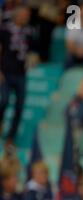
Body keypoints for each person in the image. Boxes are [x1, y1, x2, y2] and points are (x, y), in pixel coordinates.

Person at [0, 5, 34, 145]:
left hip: (21, 73)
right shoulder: (4, 30)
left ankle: (11, 137)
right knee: (4, 100)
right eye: (23, 15)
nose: (26, 18)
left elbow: (34, 50)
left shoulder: (30, 32)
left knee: (20, 106)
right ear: (16, 15)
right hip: (6, 72)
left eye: (28, 16)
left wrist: (34, 57)